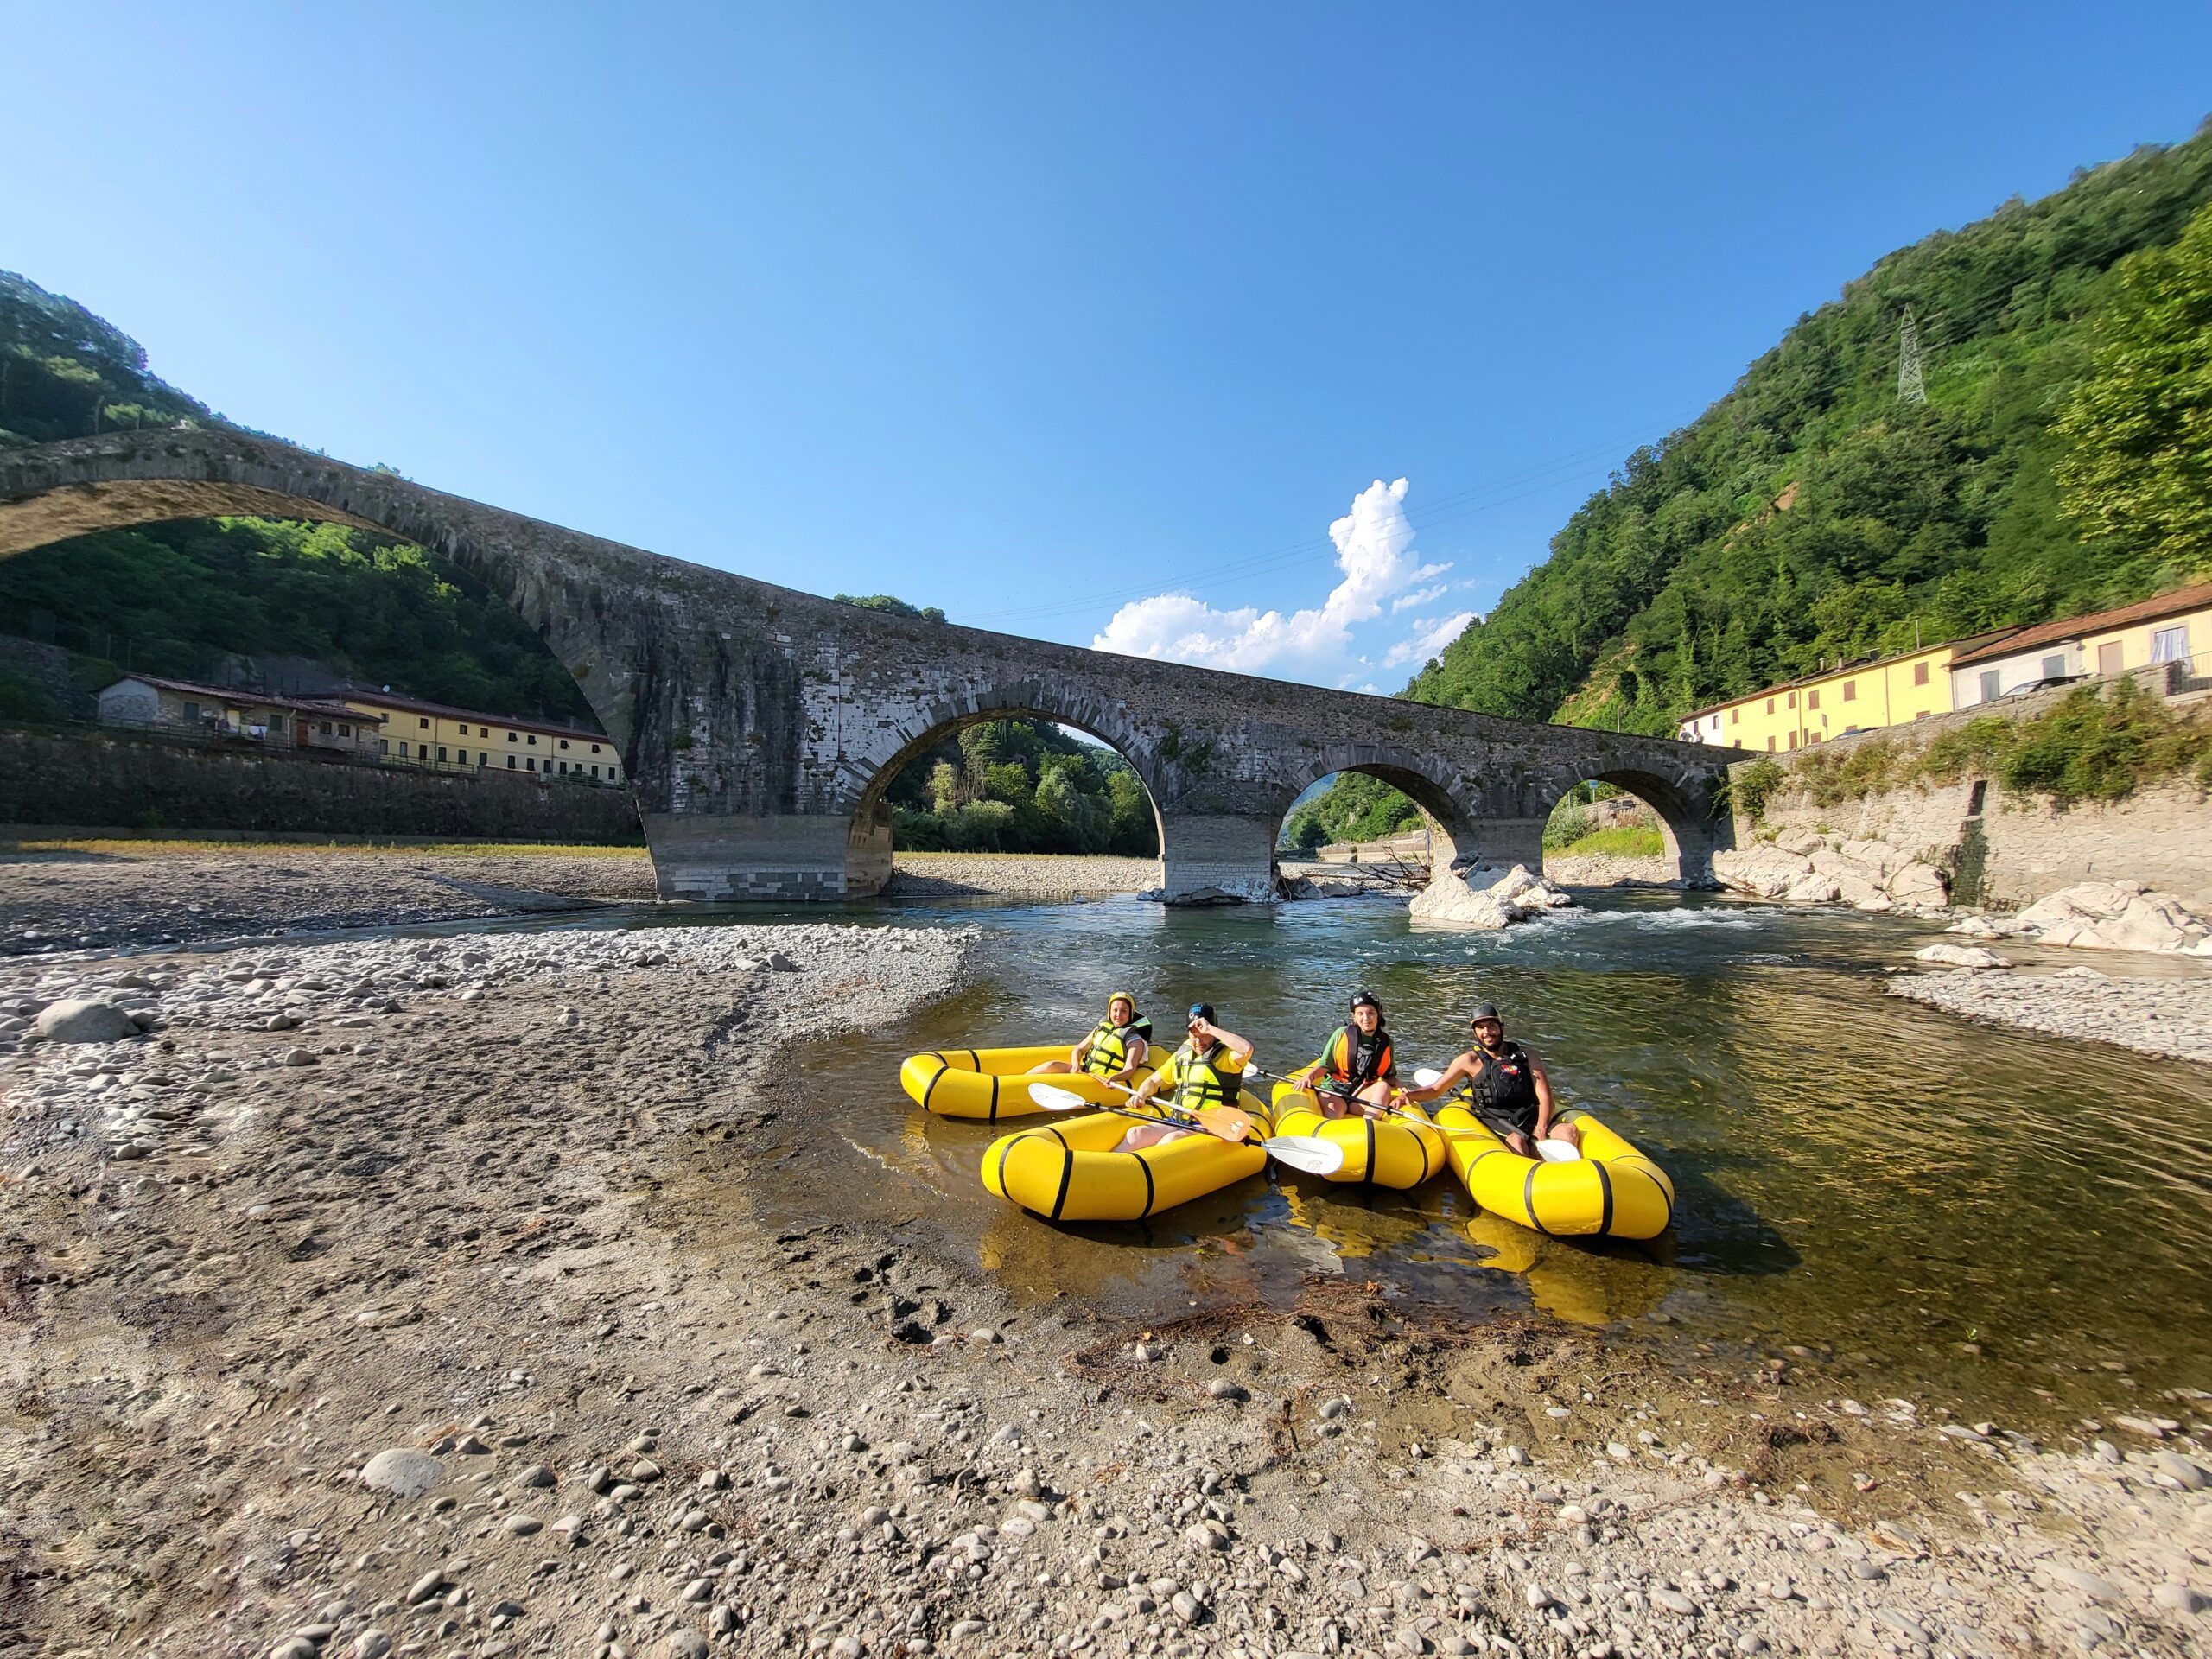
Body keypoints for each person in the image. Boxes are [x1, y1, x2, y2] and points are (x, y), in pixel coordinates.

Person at [1405, 1001, 1580, 1157]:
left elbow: (1544, 1095)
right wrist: (1408, 1096)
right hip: (1497, 1119)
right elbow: (1436, 1090)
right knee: (1517, 1141)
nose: (1487, 1032)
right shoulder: (1469, 1061)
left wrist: (1541, 1129)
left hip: (1530, 1116)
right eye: (1481, 1028)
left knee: (1568, 1131)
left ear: (1502, 1027)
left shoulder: (1528, 1056)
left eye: (1491, 1026)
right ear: (1475, 1033)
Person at [1117, 1004, 1253, 1151]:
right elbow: (1153, 1081)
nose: (1199, 1041)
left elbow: (1247, 1049)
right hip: (1178, 1119)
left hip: (1211, 1124)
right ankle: (1114, 1168)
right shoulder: (1182, 1054)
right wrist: (1141, 1095)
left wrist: (1210, 1028)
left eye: (1204, 1035)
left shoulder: (1225, 1057)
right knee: (1135, 1134)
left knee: (1171, 1140)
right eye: (1194, 1035)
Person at [1289, 989, 1405, 1120]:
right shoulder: (1341, 1034)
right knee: (1334, 1115)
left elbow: (1388, 1076)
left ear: (1379, 1014)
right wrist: (1309, 1076)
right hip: (1334, 1090)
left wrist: (1398, 1083)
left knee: (1383, 1086)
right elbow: (1325, 1064)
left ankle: (1369, 1127)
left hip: (1361, 1094)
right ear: (1353, 1016)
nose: (1366, 1018)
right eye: (1360, 1013)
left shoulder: (1386, 1043)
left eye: (1371, 1013)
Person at [1036, 993, 1152, 1084]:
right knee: (1051, 1065)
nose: (1118, 1015)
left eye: (1124, 1011)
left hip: (1103, 1079)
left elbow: (1130, 1069)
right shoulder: (1102, 1028)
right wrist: (1076, 1064)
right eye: (1115, 1010)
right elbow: (1079, 1049)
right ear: (1109, 1012)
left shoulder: (1134, 1040)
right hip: (1085, 1071)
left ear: (1130, 1014)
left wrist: (1115, 1077)